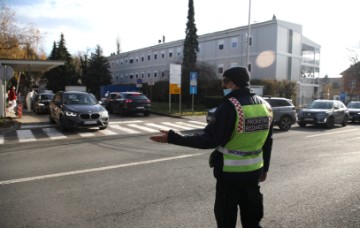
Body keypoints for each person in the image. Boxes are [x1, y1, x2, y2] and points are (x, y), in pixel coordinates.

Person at [150, 67, 273, 228]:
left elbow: (209, 140)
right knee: (252, 220)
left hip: (229, 174)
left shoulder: (231, 106)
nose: (223, 85)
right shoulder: (265, 106)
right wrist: (265, 169)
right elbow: (268, 141)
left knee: (226, 219)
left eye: (225, 81)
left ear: (233, 83)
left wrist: (173, 137)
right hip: (254, 172)